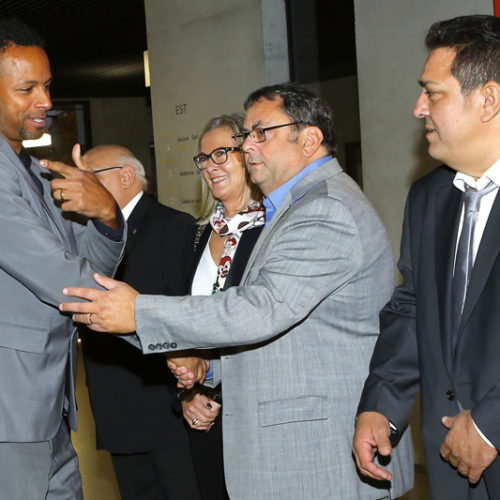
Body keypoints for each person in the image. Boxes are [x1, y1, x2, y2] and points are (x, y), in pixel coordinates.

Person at [60, 82, 414, 499]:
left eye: (262, 133)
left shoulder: (324, 208)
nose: (248, 146)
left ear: (309, 139)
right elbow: (288, 336)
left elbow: (262, 308)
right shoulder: (292, 208)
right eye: (247, 135)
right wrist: (208, 370)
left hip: (315, 454)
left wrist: (139, 312)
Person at [353, 15, 500, 499]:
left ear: (489, 100)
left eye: (432, 93)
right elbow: (414, 307)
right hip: (449, 463)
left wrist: (489, 424)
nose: (418, 109)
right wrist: (381, 404)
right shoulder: (428, 198)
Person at [0, 19, 125, 499]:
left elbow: (94, 266)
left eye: (47, 86)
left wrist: (107, 215)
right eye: (26, 89)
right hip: (11, 413)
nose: (45, 102)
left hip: (49, 406)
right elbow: (65, 280)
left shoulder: (37, 172)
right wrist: (165, 336)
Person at [78, 144, 200, 500]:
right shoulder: (88, 233)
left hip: (164, 409)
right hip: (115, 409)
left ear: (126, 176)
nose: (82, 186)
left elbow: (185, 313)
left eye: (90, 177)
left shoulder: (172, 226)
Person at [178, 114, 264, 499]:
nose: (210, 166)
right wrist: (188, 392)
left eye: (221, 154)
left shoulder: (273, 231)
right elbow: (184, 324)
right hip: (203, 411)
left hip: (257, 410)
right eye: (203, 158)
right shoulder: (196, 236)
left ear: (248, 153)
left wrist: (217, 386)